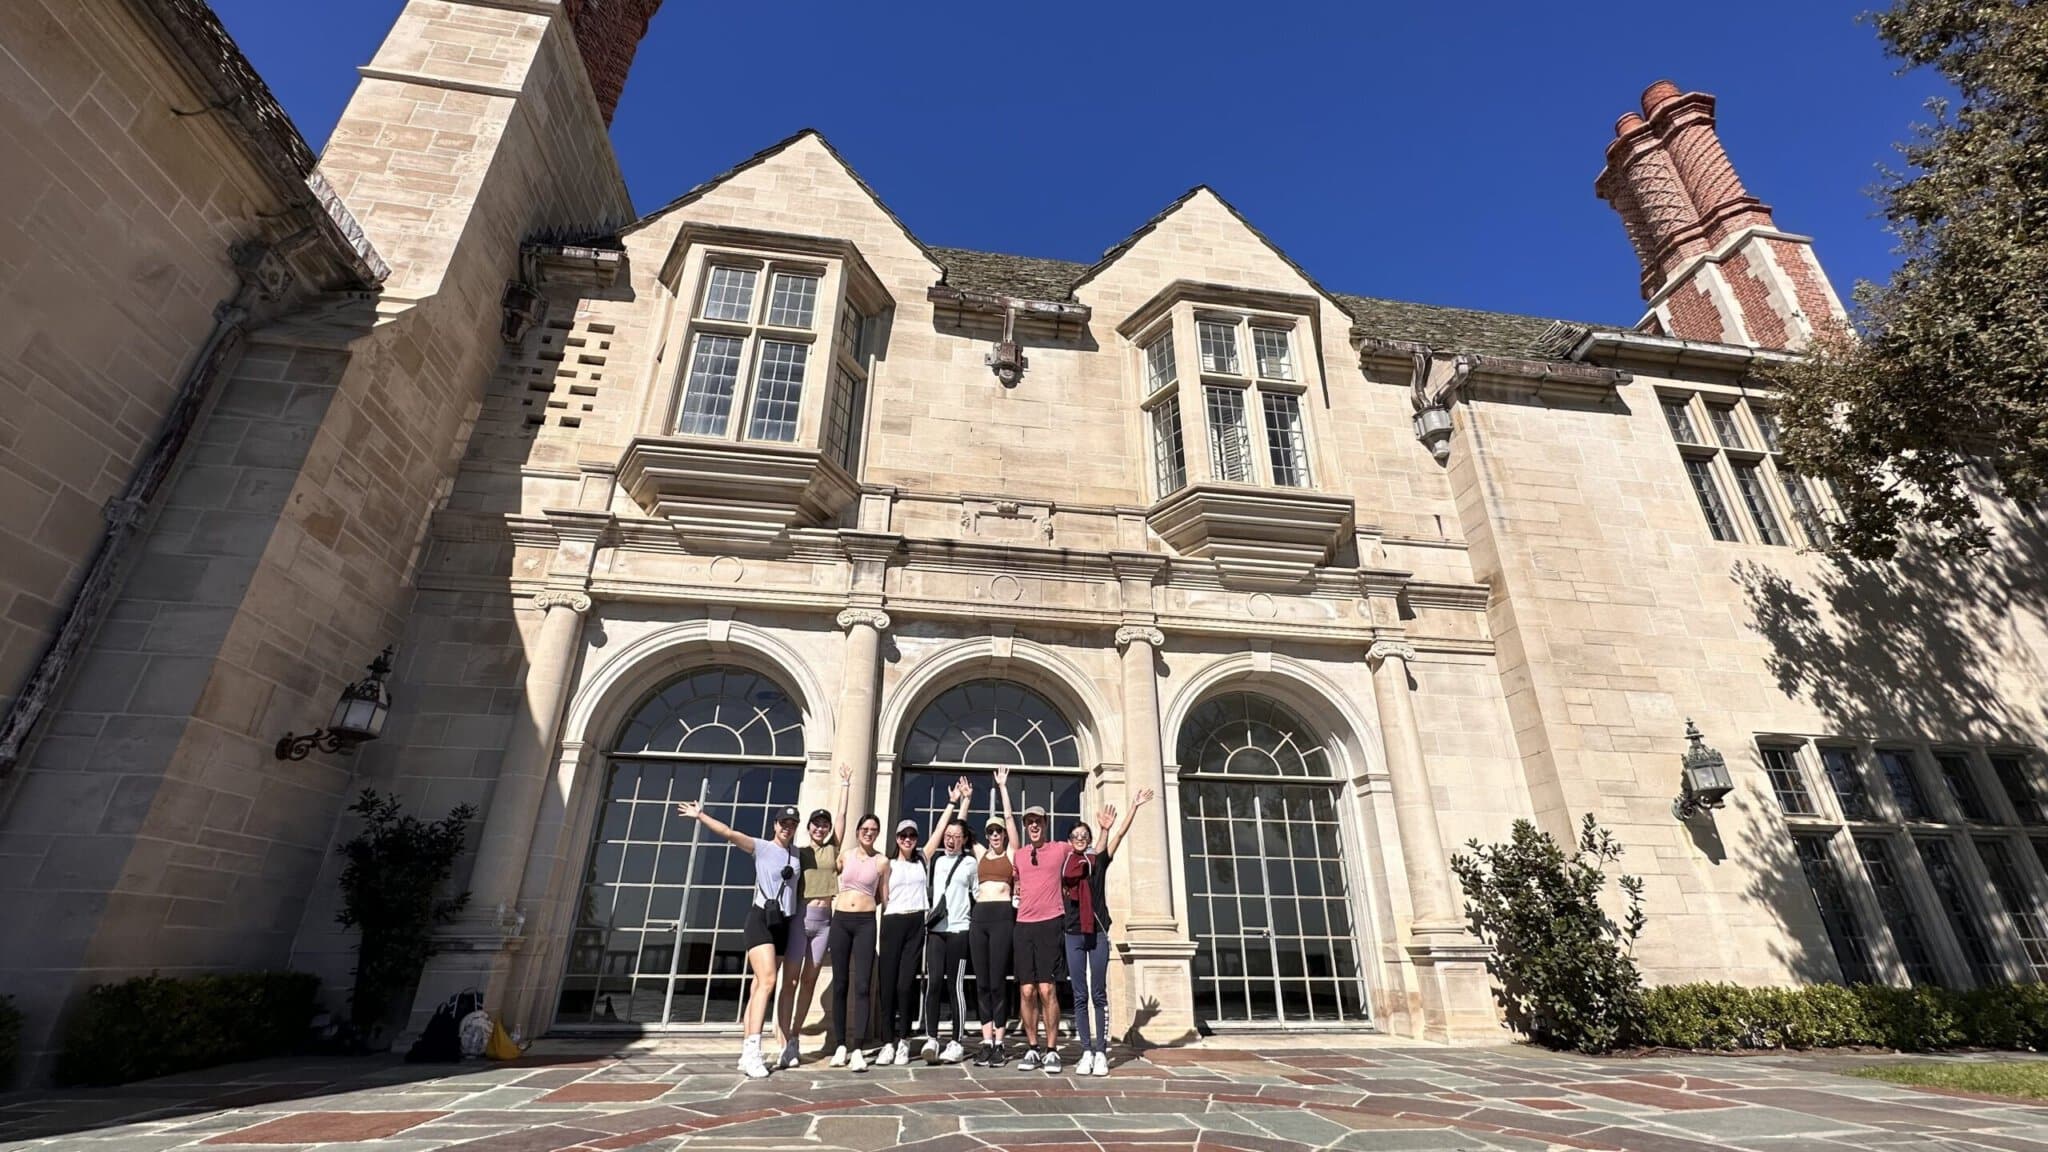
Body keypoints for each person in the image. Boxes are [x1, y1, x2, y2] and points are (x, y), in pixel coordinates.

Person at [673, 798, 799, 1080]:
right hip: (760, 920)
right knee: (768, 981)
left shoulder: (798, 855)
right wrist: (701, 816)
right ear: (775, 824)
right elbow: (729, 833)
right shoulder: (762, 848)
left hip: (784, 924)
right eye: (783, 823)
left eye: (792, 824)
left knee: (757, 986)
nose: (787, 828)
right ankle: (754, 1050)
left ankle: (745, 1052)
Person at [1062, 789, 1153, 1077]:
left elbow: (1118, 838)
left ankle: (1101, 1051)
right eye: (1076, 835)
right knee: (1079, 995)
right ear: (1069, 841)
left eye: (1083, 836)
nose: (1080, 839)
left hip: (1097, 932)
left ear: (1088, 840)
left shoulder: (1097, 862)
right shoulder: (1066, 866)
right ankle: (1086, 1050)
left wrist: (1132, 808)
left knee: (1098, 994)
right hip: (1073, 933)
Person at [776, 764, 851, 1068]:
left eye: (824, 824)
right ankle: (782, 1043)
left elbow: (843, 821)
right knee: (790, 981)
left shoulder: (833, 850)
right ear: (808, 828)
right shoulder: (799, 852)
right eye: (816, 824)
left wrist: (845, 786)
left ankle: (793, 1037)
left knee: (809, 981)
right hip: (801, 921)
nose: (821, 828)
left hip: (825, 922)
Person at [1009, 793, 1072, 1073]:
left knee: (1047, 989)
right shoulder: (1020, 856)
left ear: (1045, 823)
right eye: (1029, 822)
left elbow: (1093, 853)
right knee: (1026, 990)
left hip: (1051, 923)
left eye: (1037, 821)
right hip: (1023, 925)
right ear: (1026, 827)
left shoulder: (1060, 849)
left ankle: (1052, 1049)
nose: (1033, 826)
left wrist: (1106, 830)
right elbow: (1013, 883)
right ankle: (1033, 1048)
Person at [919, 778, 977, 1064]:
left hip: (959, 931)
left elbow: (979, 895)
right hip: (936, 932)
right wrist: (954, 802)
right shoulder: (935, 861)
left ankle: (957, 1040)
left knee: (955, 985)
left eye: (957, 835)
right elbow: (944, 828)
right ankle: (932, 1037)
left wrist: (966, 803)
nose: (951, 838)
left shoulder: (970, 864)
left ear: (964, 839)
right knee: (932, 984)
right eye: (948, 835)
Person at [967, 766, 1018, 1066]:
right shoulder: (979, 854)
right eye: (991, 832)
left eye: (998, 832)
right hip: (980, 918)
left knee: (998, 981)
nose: (996, 835)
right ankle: (986, 1040)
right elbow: (963, 827)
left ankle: (1001, 1042)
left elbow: (1011, 823)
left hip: (1001, 916)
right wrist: (965, 799)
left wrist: (1002, 788)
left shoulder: (1011, 855)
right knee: (982, 982)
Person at [827, 811, 884, 1072]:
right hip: (841, 920)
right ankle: (840, 1045)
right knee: (840, 983)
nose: (869, 832)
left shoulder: (882, 861)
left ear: (877, 833)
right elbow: (832, 845)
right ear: (858, 830)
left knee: (862, 985)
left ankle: (858, 1048)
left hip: (865, 922)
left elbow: (884, 896)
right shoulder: (845, 856)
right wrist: (846, 790)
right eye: (865, 828)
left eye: (873, 829)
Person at [874, 816, 929, 1065]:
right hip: (892, 921)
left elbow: (941, 831)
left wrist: (956, 803)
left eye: (912, 836)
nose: (908, 840)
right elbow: (881, 894)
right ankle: (888, 1042)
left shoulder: (923, 861)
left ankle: (904, 1040)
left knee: (906, 985)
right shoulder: (888, 864)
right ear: (896, 839)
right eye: (903, 836)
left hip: (915, 921)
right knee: (887, 985)